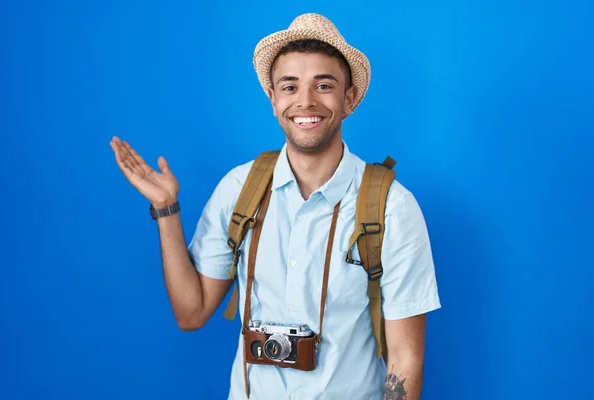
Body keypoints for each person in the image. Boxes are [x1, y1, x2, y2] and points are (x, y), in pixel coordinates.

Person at [110, 13, 441, 400]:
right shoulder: (240, 188)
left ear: (349, 98)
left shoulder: (392, 209)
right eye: (290, 86)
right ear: (272, 98)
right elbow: (192, 311)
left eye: (323, 85)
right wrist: (167, 209)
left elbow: (405, 360)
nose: (305, 101)